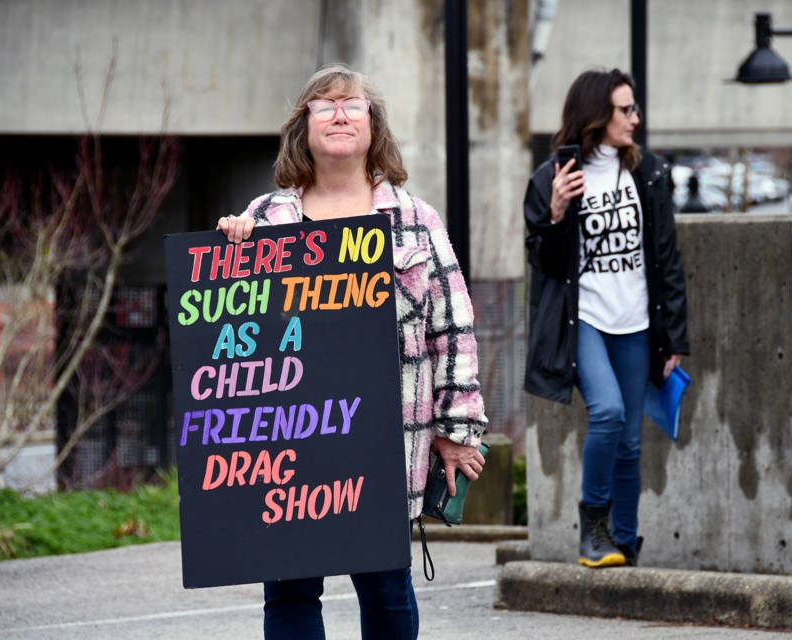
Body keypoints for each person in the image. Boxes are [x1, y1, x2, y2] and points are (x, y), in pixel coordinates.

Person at [217, 64, 488, 639]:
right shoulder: (265, 218)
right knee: (289, 593)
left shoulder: (415, 220)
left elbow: (453, 327)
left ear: (373, 124)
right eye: (324, 104)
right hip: (290, 444)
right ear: (304, 125)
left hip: (386, 443)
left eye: (353, 104)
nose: (339, 113)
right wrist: (228, 254)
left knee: (388, 593)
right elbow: (231, 336)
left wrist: (457, 429)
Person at [523, 68, 689, 569]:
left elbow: (667, 259)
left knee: (632, 440)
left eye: (635, 108)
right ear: (597, 114)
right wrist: (554, 216)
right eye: (626, 109)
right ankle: (592, 528)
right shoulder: (553, 179)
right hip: (586, 319)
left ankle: (625, 540)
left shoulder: (648, 173)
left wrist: (675, 337)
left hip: (636, 319)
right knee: (610, 413)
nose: (635, 118)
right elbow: (545, 265)